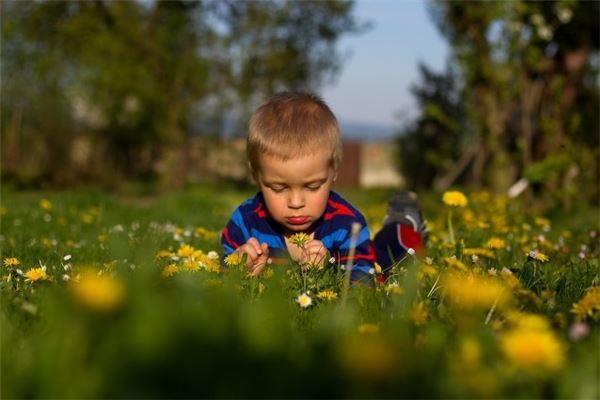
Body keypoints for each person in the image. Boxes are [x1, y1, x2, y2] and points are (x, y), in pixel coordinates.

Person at [221, 92, 427, 283]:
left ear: (333, 171)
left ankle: (401, 225)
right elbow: (219, 277)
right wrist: (238, 268)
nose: (296, 203)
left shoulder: (348, 225)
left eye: (312, 187)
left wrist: (329, 270)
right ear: (256, 175)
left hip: (380, 260)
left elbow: (363, 286)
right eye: (278, 188)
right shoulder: (245, 222)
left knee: (393, 259)